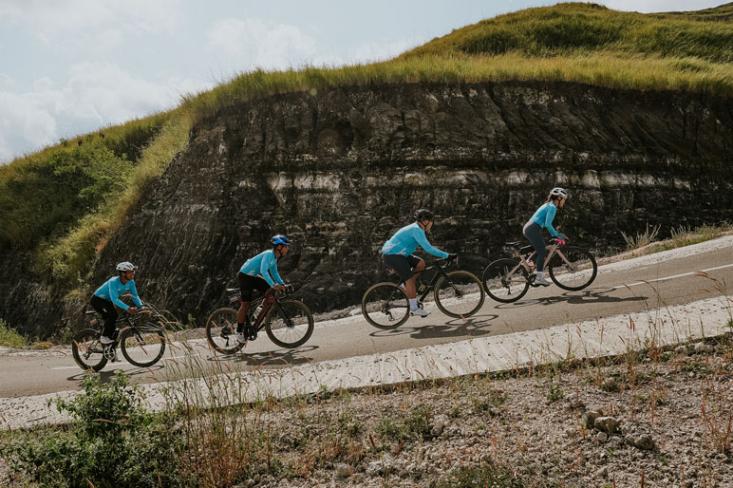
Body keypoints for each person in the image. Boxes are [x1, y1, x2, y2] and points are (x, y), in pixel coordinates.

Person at [381, 209, 455, 317]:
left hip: (400, 254)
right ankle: (414, 308)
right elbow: (428, 248)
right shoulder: (416, 230)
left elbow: (427, 247)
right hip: (392, 255)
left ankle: (406, 286)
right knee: (410, 280)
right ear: (425, 221)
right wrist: (447, 255)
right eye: (431, 221)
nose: (432, 224)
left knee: (421, 263)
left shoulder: (417, 228)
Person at [236, 234, 289, 343]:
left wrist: (282, 283)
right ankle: (239, 331)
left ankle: (257, 314)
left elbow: (274, 272)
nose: (287, 248)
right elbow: (264, 271)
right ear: (279, 247)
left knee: (270, 293)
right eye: (285, 246)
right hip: (245, 276)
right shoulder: (269, 254)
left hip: (253, 276)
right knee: (245, 304)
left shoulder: (274, 257)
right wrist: (274, 285)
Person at [523, 187, 569, 286]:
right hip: (532, 229)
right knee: (542, 251)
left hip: (531, 228)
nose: (564, 202)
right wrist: (557, 235)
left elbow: (547, 224)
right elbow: (548, 224)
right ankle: (539, 277)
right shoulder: (552, 207)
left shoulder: (548, 205)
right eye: (564, 199)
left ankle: (529, 263)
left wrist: (555, 233)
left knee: (541, 247)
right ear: (559, 198)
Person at [91, 261, 144, 345]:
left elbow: (135, 295)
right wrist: (128, 308)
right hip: (97, 300)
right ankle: (103, 336)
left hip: (107, 301)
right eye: (130, 272)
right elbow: (115, 300)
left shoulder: (131, 282)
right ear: (123, 274)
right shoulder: (113, 282)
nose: (133, 274)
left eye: (133, 271)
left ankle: (111, 354)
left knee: (114, 330)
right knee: (112, 315)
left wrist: (141, 306)